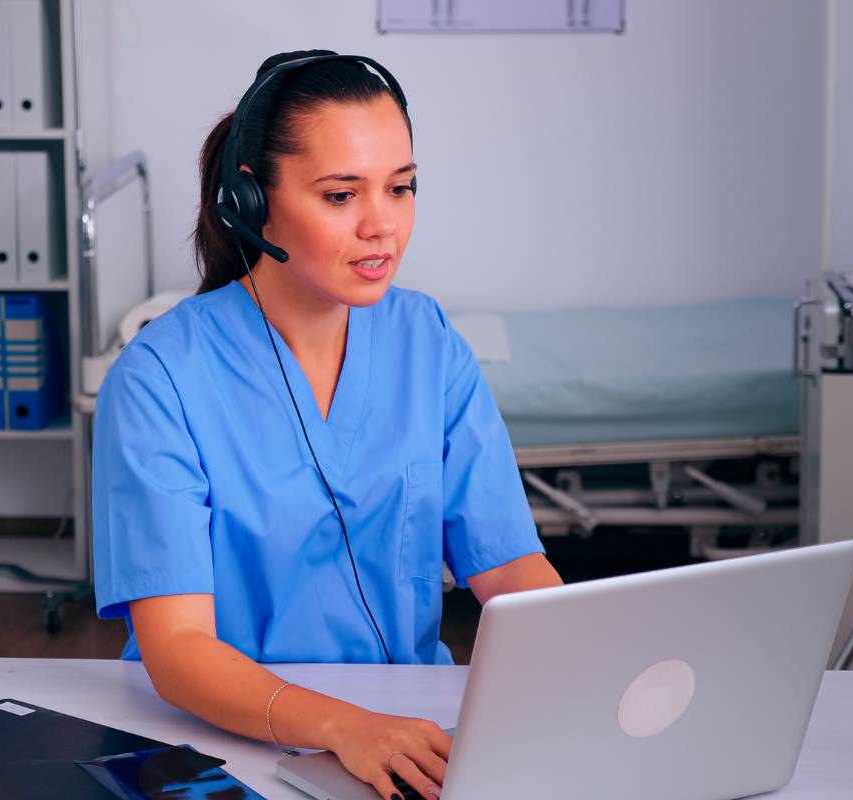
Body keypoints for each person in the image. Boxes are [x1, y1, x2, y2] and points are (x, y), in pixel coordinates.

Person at [93, 50, 563, 800]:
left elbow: (510, 568)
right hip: (221, 743)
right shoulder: (160, 377)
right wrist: (345, 727)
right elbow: (177, 649)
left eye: (401, 188)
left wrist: (592, 675)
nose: (382, 226)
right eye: (341, 195)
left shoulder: (428, 341)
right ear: (253, 201)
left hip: (409, 733)